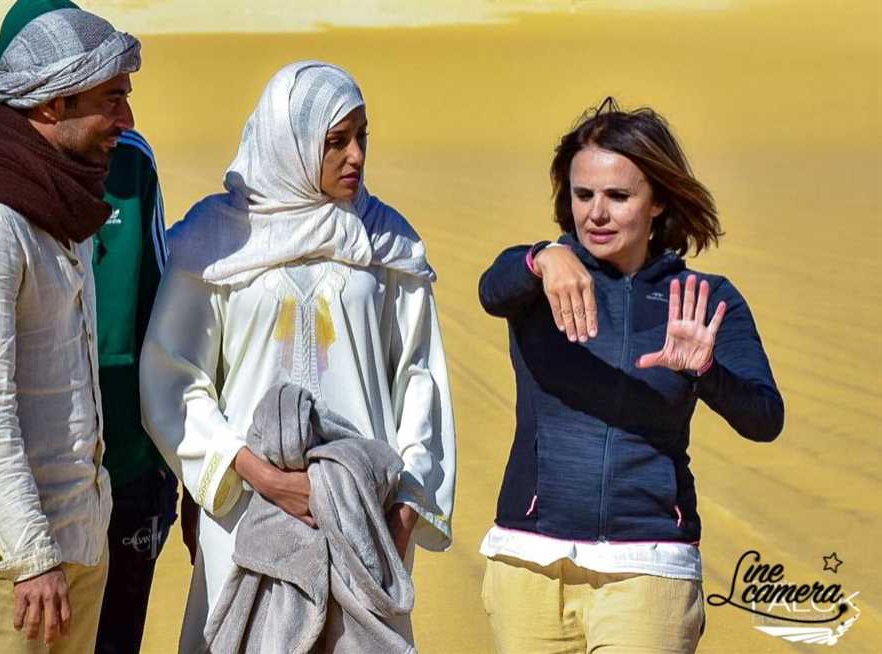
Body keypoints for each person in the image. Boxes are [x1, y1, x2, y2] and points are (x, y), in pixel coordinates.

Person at [140, 60, 457, 652]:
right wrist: (255, 473)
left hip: (365, 514)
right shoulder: (217, 239)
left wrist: (405, 508)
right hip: (245, 510)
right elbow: (174, 378)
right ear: (290, 141)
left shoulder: (388, 241)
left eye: (363, 137)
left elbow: (420, 378)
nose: (356, 156)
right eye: (336, 141)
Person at [0, 2, 181, 651]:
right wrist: (32, 554)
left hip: (69, 542)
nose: (127, 120)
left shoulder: (58, 209)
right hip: (4, 551)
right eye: (112, 99)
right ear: (55, 104)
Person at [478, 98, 784, 654]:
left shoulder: (704, 299)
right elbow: (491, 289)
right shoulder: (540, 281)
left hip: (650, 567)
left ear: (658, 201)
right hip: (528, 562)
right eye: (583, 195)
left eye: (618, 196)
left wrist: (705, 371)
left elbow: (765, 419)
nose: (596, 213)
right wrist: (542, 257)